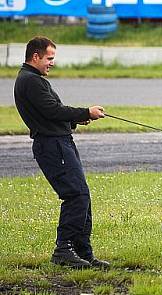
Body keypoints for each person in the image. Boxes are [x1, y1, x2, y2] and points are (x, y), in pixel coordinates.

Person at [14, 36, 109, 268]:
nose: (52, 63)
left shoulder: (32, 79)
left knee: (82, 194)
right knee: (75, 196)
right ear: (35, 56)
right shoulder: (31, 80)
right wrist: (85, 111)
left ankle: (83, 252)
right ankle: (63, 250)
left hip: (59, 142)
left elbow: (48, 115)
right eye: (49, 58)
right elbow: (52, 110)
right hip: (53, 146)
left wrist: (78, 119)